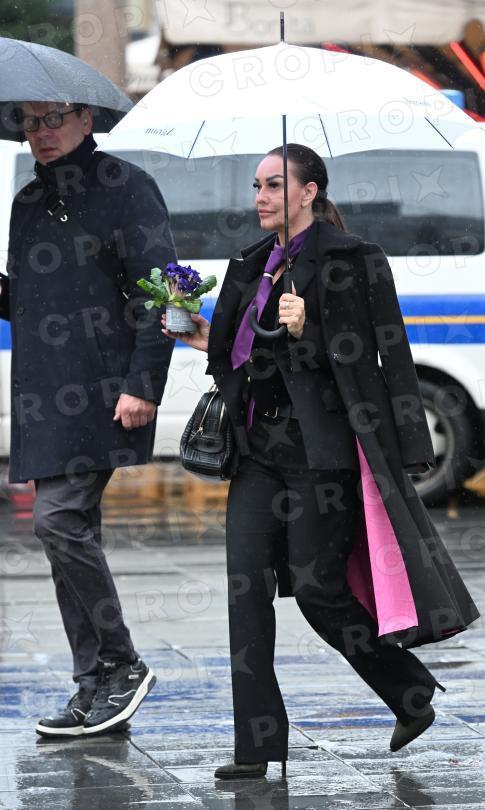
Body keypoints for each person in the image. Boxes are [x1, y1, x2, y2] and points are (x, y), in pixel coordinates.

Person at [162, 143, 479, 779]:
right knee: (246, 592)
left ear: (309, 192)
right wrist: (198, 333)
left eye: (274, 186)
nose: (261, 197)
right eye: (257, 186)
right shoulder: (252, 263)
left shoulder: (355, 260)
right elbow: (235, 357)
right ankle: (256, 747)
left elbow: (382, 353)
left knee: (317, 590)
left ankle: (408, 689)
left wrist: (313, 329)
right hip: (258, 451)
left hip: (323, 453)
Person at [0, 101, 177, 737]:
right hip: (43, 396)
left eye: (53, 118)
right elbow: (23, 300)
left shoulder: (127, 186)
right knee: (66, 537)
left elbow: (163, 290)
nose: (40, 132)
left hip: (105, 390)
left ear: (85, 120)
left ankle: (123, 664)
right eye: (30, 122)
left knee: (56, 521)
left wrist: (144, 384)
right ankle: (94, 683)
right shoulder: (27, 201)